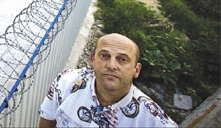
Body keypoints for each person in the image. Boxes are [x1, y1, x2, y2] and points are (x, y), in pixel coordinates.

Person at [38, 33, 177, 127]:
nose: (111, 65)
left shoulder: (153, 120)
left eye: (122, 59)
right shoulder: (66, 82)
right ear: (92, 60)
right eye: (104, 56)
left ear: (136, 69)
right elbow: (47, 121)